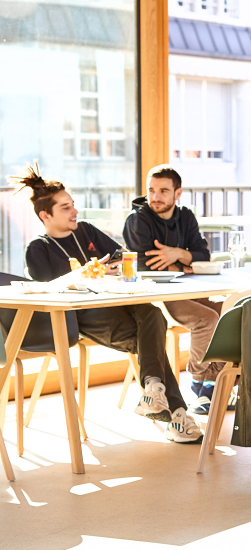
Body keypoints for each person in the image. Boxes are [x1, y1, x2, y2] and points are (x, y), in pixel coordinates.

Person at [13, 165, 202, 444]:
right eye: (65, 208)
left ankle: (154, 392)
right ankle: (174, 412)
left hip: (120, 304)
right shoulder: (38, 249)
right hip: (84, 317)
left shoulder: (86, 231)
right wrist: (87, 273)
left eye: (73, 205)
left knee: (151, 313)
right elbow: (49, 292)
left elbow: (125, 256)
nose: (75, 211)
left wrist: (114, 267)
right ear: (46, 215)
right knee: (151, 335)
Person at [123, 164, 225, 414]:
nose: (155, 197)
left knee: (230, 311)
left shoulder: (185, 216)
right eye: (151, 190)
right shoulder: (138, 220)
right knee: (207, 319)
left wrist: (177, 254)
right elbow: (145, 264)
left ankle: (216, 382)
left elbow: (203, 255)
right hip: (156, 296)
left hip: (190, 288)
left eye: (163, 191)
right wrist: (185, 263)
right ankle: (199, 384)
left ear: (177, 193)